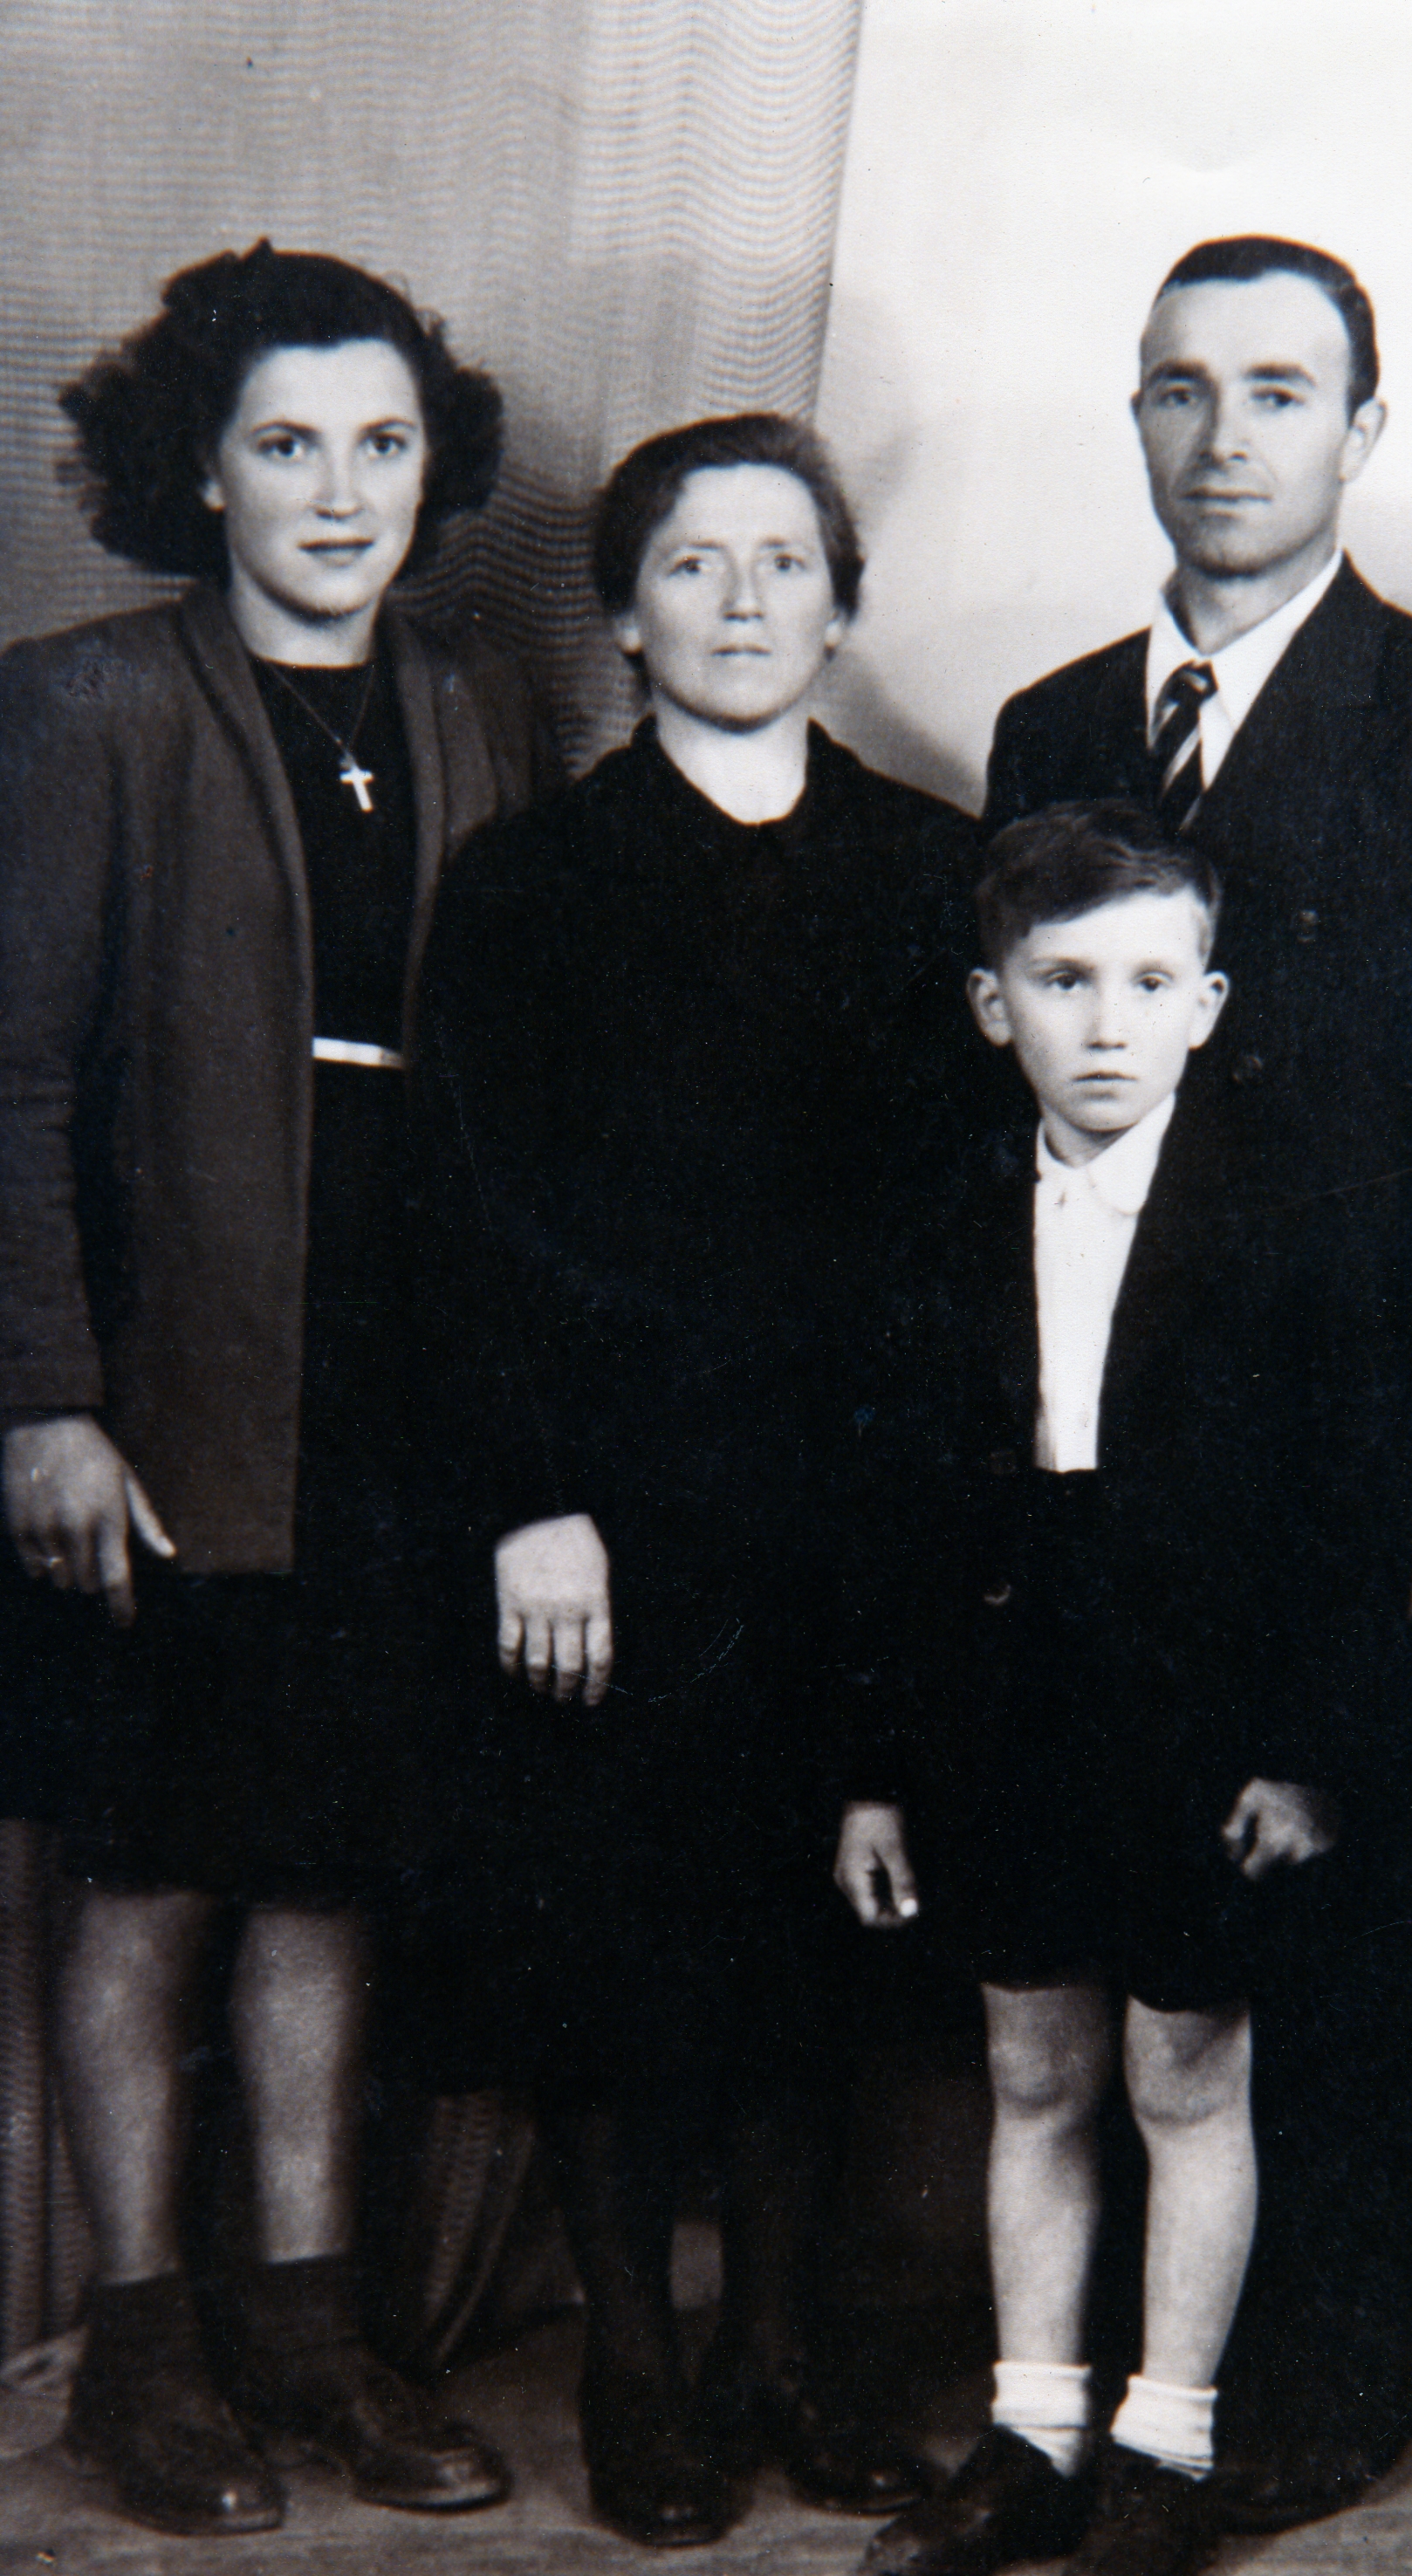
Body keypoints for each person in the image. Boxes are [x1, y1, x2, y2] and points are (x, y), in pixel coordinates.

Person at [981, 235, 1412, 2520]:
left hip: (1357, 1436)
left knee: (1329, 1891)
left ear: (1361, 432)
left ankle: (1319, 2382)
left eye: (1277, 391)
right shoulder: (1058, 728)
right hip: (1112, 1444)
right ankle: (1088, 2388)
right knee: (1123, 1925)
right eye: (1181, 388)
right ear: (1136, 417)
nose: (1223, 436)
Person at [0, 243, 549, 2538]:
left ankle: (313, 2331)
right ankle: (146, 2353)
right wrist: (43, 1398)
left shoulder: (473, 703)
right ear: (198, 471)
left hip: (397, 1399)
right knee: (152, 1879)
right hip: (171, 1393)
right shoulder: (86, 704)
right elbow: (12, 1079)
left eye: (383, 443)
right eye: (288, 444)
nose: (341, 492)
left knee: (329, 1873)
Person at [415, 411, 973, 2549]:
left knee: (819, 1948)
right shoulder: (532, 884)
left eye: (784, 562)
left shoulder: (932, 871)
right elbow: (466, 1223)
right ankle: (638, 2367)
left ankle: (785, 2361)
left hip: (856, 1510)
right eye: (691, 564)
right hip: (617, 1521)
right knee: (619, 1947)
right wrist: (533, 1499)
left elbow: (974, 1226)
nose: (743, 602)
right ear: (627, 618)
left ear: (843, 607)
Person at [838, 805, 1358, 2576]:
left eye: (1148, 982)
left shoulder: (1286, 1217)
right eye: (1064, 983)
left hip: (1199, 1704)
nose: (1108, 1024)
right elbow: (895, 1519)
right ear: (997, 1009)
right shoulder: (946, 1215)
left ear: (1208, 1005)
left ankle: (1170, 2443)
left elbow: (1342, 1514)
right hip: (1008, 1691)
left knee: (1187, 2073)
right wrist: (876, 1775)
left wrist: (1303, 1756)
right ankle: (1037, 2429)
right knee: (1032, 2069)